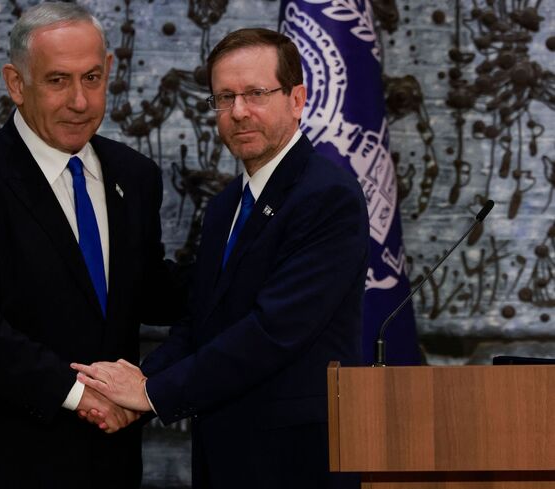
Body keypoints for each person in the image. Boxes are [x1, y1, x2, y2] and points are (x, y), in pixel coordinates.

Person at [73, 28, 367, 488]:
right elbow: (201, 321)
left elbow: (273, 331)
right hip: (223, 454)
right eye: (224, 97)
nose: (239, 112)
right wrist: (137, 383)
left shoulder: (327, 196)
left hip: (294, 462)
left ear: (297, 98)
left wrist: (151, 394)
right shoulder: (227, 204)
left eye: (255, 93)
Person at [0, 3, 184, 488]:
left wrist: (246, 259)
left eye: (92, 78)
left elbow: (146, 291)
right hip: (2, 463)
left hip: (110, 463)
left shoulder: (135, 176)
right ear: (16, 84)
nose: (80, 101)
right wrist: (82, 396)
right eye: (58, 81)